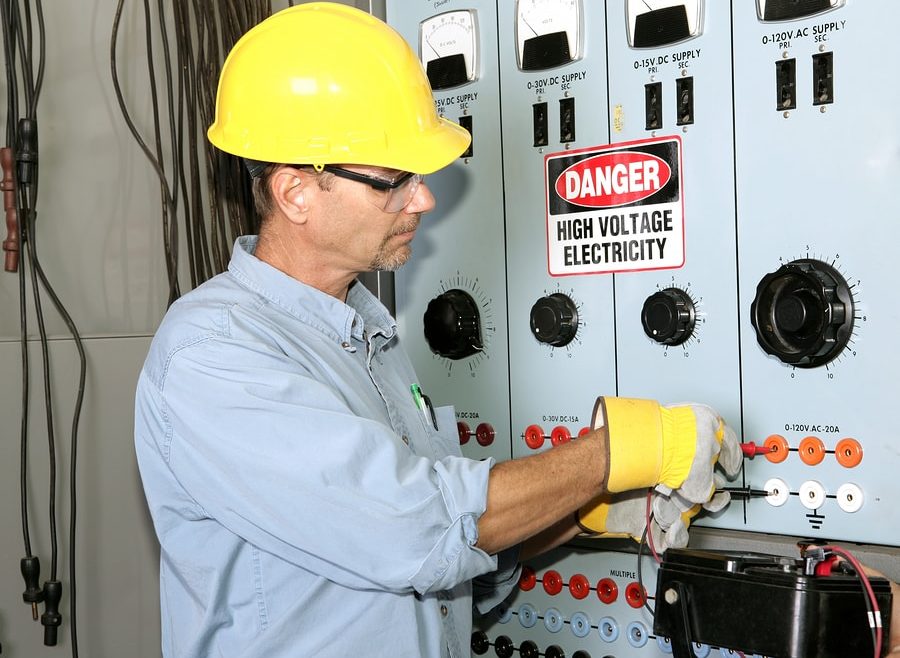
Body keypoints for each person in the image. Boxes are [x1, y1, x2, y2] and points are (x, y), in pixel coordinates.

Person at [133, 4, 741, 657]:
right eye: (393, 181)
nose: (422, 200)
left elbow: (452, 568)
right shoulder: (214, 355)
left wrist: (580, 511)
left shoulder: (366, 337)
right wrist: (614, 452)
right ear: (295, 193)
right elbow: (414, 531)